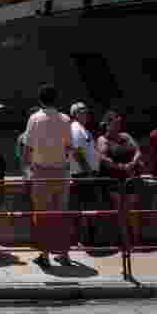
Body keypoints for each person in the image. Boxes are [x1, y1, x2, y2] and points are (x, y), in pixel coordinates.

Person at [23, 85, 71, 267]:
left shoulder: (34, 118)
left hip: (41, 172)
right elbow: (68, 148)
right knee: (62, 214)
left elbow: (27, 150)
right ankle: (64, 254)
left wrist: (29, 171)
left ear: (40, 100)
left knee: (43, 215)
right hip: (61, 172)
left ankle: (44, 255)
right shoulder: (66, 119)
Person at [96, 108, 144, 250]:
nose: (118, 126)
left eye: (119, 123)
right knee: (120, 210)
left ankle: (136, 240)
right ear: (108, 124)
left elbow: (138, 151)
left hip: (131, 178)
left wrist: (132, 164)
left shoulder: (126, 136)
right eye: (115, 124)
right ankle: (125, 241)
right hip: (114, 180)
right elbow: (103, 157)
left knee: (133, 209)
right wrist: (120, 167)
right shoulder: (103, 139)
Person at [67, 101, 101, 248]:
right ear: (74, 114)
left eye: (86, 110)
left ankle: (88, 238)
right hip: (82, 175)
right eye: (82, 110)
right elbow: (77, 152)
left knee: (88, 207)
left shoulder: (83, 129)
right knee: (84, 208)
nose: (86, 113)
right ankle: (83, 239)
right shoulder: (75, 128)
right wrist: (88, 172)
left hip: (87, 174)